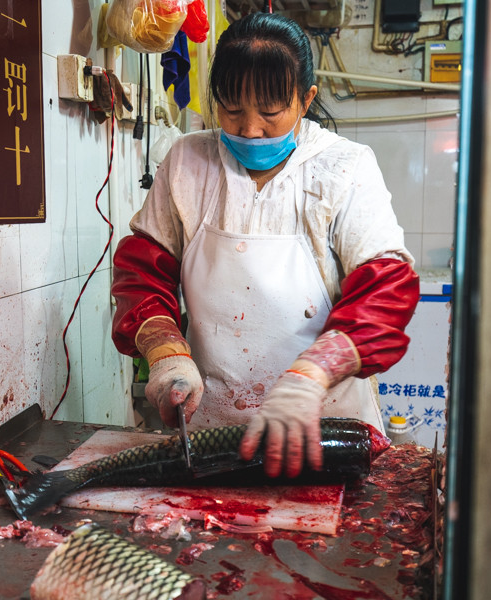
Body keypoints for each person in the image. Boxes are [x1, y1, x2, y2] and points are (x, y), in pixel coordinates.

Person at [111, 11, 419, 479]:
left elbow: (386, 288)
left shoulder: (343, 167)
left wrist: (312, 374)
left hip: (324, 431)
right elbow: (143, 271)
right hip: (213, 433)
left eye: (271, 113)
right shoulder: (188, 161)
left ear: (305, 99)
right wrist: (166, 352)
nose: (251, 129)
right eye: (232, 110)